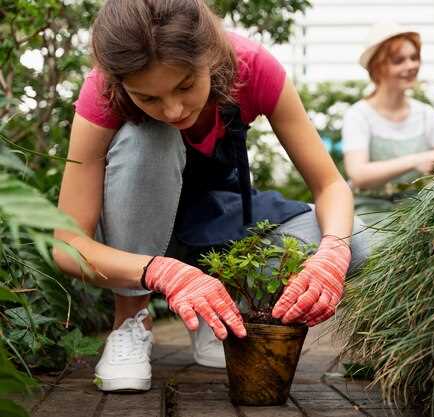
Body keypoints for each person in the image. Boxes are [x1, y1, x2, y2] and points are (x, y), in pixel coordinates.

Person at [53, 0, 369, 392]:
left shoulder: (251, 66)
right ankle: (131, 319)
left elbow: (330, 186)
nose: (172, 109)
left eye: (185, 85)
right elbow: (68, 244)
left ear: (212, 56)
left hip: (213, 223)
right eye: (147, 98)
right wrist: (161, 272)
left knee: (356, 239)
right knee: (148, 136)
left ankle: (218, 306)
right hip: (136, 238)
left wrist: (332, 252)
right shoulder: (102, 91)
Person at [342, 22, 434, 228]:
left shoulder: (426, 114)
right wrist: (415, 160)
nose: (411, 66)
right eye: (399, 61)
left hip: (420, 211)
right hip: (371, 214)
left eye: (414, 58)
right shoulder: (359, 115)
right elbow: (358, 174)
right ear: (378, 68)